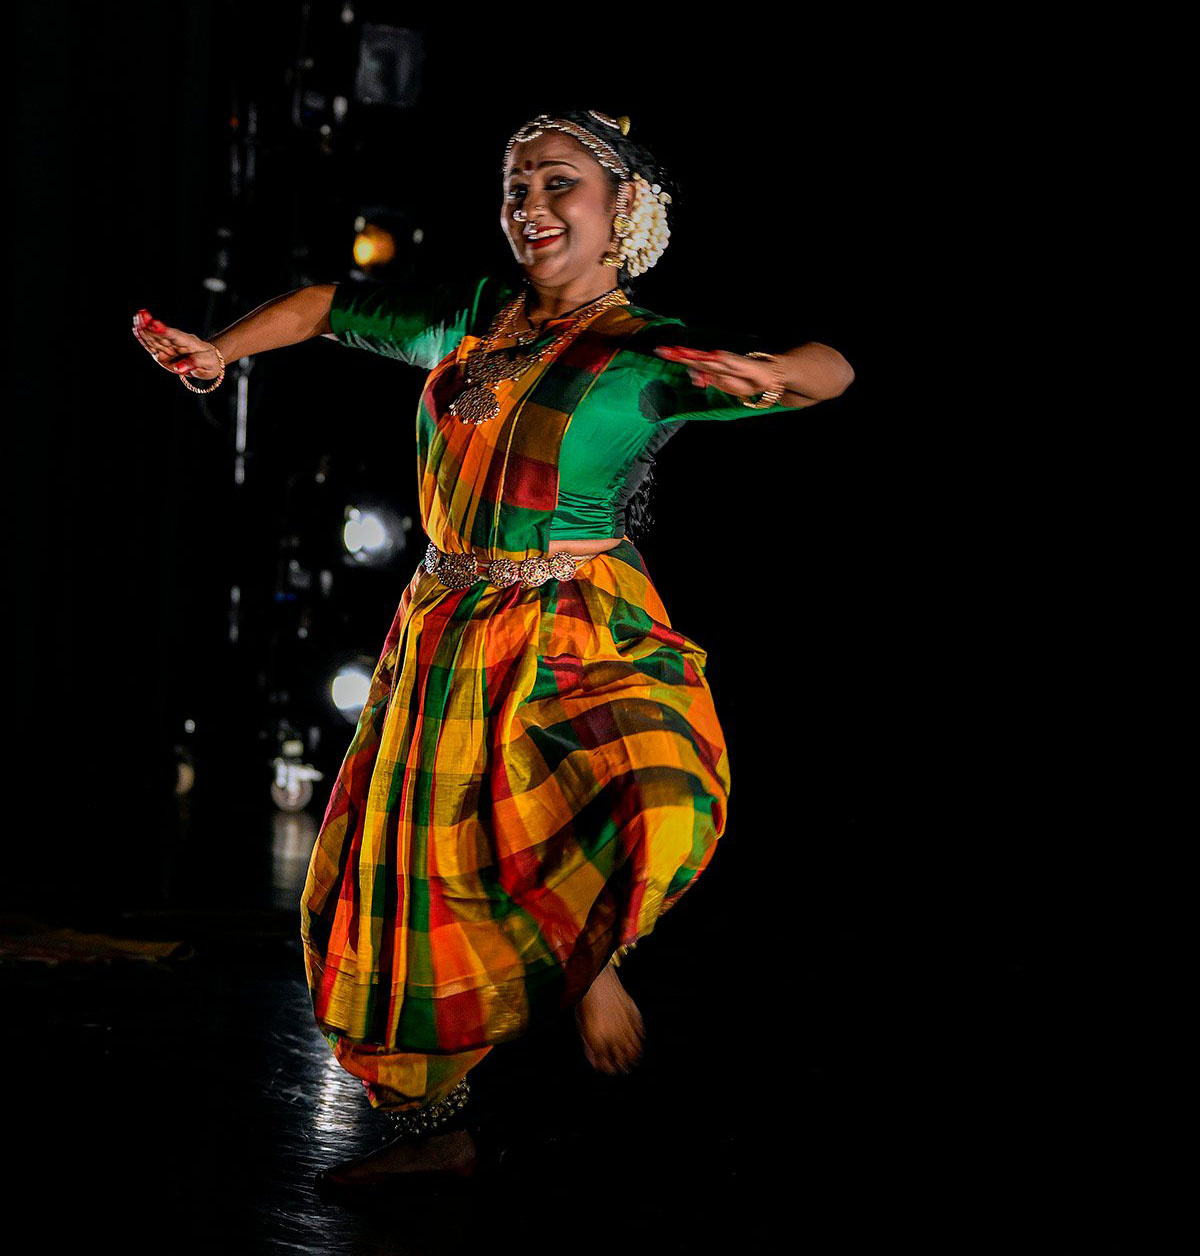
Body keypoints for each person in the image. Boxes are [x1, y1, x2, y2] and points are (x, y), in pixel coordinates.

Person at [133, 108, 854, 1196]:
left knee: (639, 787)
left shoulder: (647, 351)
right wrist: (221, 350)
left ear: (626, 211)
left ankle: (591, 962)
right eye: (516, 187)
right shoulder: (472, 319)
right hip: (444, 624)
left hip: (573, 616)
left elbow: (832, 367)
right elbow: (330, 305)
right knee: (409, 883)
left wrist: (772, 369)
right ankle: (439, 1125)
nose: (530, 207)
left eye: (559, 184)